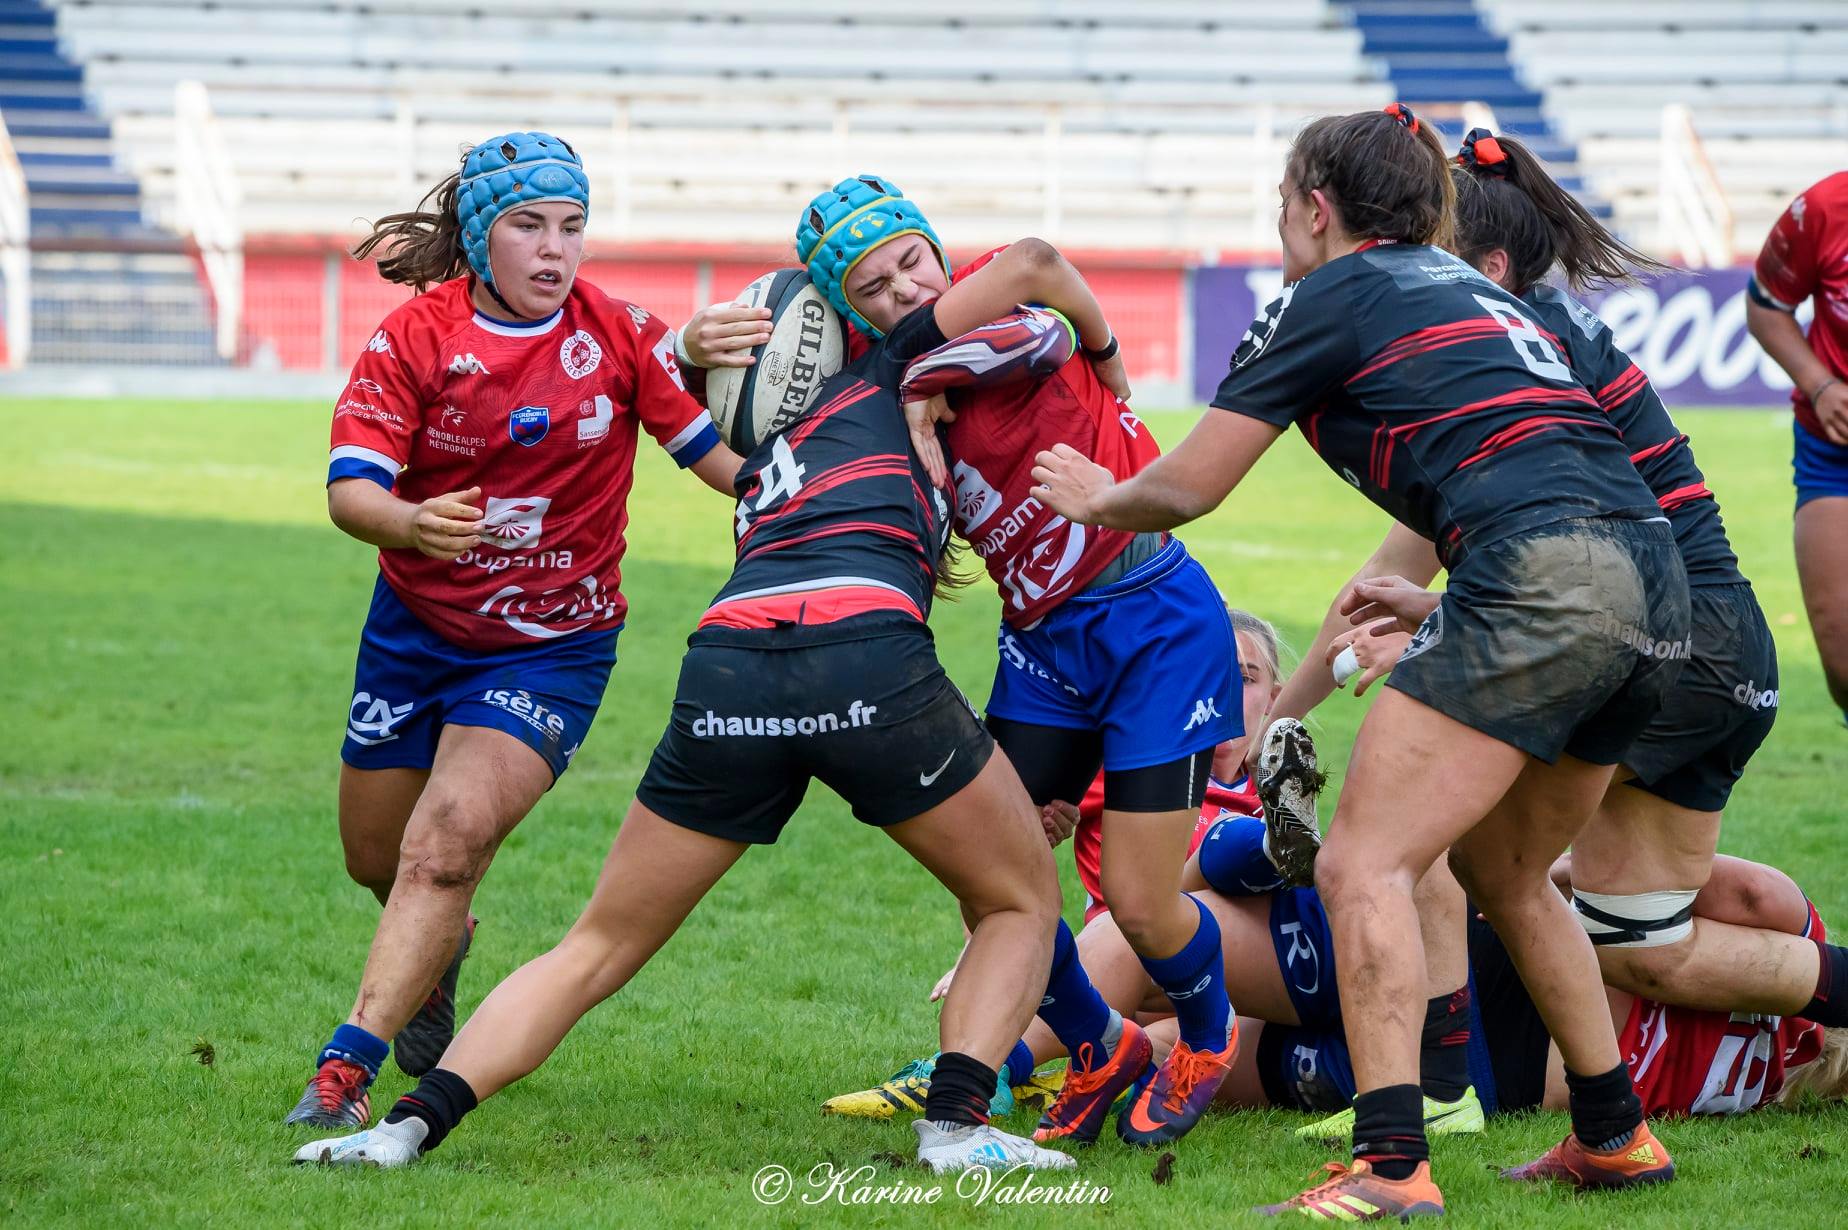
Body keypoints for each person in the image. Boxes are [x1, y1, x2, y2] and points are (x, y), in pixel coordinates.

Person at [293, 241, 1151, 1175]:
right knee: (1017, 898)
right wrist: (1105, 363)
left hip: (729, 666)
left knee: (598, 944)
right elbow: (1029, 268)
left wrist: (699, 356)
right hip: (863, 652)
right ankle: (955, 1128)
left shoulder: (764, 456)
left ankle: (403, 1129)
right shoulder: (895, 370)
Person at [1031, 104, 1692, 1218]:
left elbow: (1190, 484)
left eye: (1284, 202)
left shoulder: (1331, 291)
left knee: (1360, 866)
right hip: (1653, 583)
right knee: (1506, 873)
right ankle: (1615, 1134)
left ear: (1315, 206)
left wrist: (1099, 498)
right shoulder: (1481, 289)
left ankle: (1391, 1167)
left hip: (1537, 579)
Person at [1269, 131, 1848, 1062]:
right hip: (1718, 639)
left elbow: (1501, 574)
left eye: (1431, 252)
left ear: (1487, 266)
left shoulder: (1495, 355)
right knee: (1640, 939)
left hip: (1670, 642)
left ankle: (1447, 1089)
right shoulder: (1534, 338)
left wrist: (1278, 720)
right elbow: (1441, 576)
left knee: (1426, 823)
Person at [289, 132, 742, 1130]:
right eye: (529, 226)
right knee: (378, 859)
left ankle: (345, 1072)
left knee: (444, 845)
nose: (555, 250)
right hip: (415, 630)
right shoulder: (416, 339)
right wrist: (409, 522)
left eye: (573, 228)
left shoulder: (620, 332)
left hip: (553, 648)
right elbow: (349, 489)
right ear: (479, 235)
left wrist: (830, 488)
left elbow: (722, 463)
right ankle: (439, 951)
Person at [798, 175, 1241, 1148]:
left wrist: (1106, 353)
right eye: (873, 287)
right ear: (846, 310)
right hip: (1042, 644)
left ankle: (1206, 1039)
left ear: (935, 248)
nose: (904, 290)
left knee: (1137, 898)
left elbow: (1037, 271)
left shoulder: (1015, 325)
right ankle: (1100, 1046)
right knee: (989, 872)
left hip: (1152, 621)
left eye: (912, 259)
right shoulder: (886, 394)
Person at [819, 608, 1310, 1121]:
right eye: (1211, 673)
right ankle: (975, 1069)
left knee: (1193, 1034)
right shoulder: (1139, 770)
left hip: (1224, 988)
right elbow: (1002, 854)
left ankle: (1070, 1071)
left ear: (1276, 699)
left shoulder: (1277, 799)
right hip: (1122, 968)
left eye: (1247, 678)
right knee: (1175, 910)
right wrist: (982, 951)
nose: (1227, 691)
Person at [1747, 171, 1848, 727]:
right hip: (1833, 450)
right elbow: (1765, 305)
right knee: (1841, 660)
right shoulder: (1825, 208)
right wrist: (1821, 385)